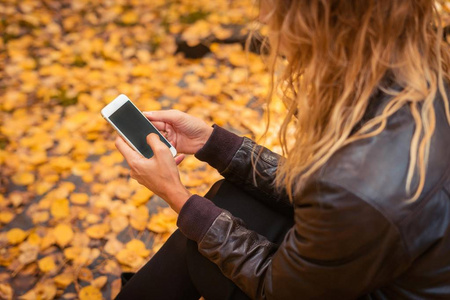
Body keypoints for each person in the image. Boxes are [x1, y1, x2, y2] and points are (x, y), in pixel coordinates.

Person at [114, 0, 450, 299]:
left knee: (201, 243)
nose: (261, 14)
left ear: (321, 21)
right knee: (227, 200)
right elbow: (322, 191)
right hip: (387, 263)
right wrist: (212, 143)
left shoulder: (358, 189)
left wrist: (176, 195)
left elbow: (275, 288)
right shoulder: (417, 73)